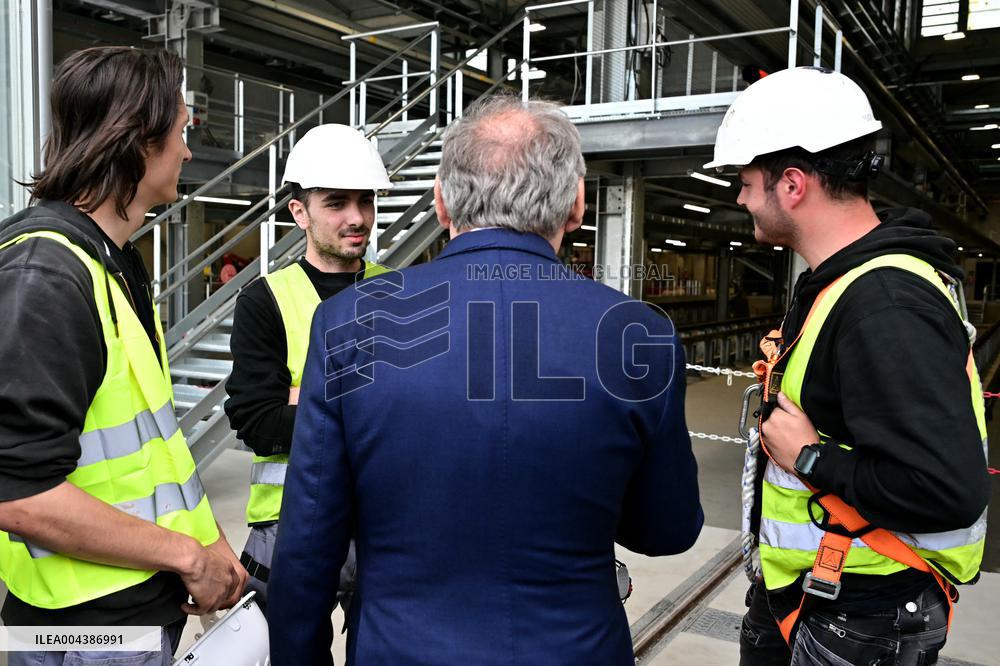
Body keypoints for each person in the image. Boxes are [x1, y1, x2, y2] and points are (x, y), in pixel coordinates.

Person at [267, 95, 704, 665]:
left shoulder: (352, 322)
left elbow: (308, 547)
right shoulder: (635, 333)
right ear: (576, 204)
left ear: (441, 202)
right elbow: (668, 530)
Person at [704, 66, 990, 665]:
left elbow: (947, 490)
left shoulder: (884, 303)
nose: (739, 197)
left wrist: (811, 458)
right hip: (825, 594)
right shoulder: (843, 284)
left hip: (864, 609)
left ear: (791, 184)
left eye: (746, 181)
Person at [0, 47, 246, 665]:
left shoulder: (113, 259)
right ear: (140, 140)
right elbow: (17, 494)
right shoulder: (48, 272)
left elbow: (151, 445)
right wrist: (186, 555)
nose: (188, 152)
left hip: (132, 607)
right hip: (87, 629)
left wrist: (210, 542)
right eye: (182, 131)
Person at [224, 124, 392, 612]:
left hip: (383, 519)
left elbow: (422, 412)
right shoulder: (265, 300)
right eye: (337, 203)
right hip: (289, 524)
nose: (358, 218)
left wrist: (310, 397)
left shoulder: (401, 294)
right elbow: (257, 422)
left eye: (366, 201)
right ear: (299, 212)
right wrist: (370, 403)